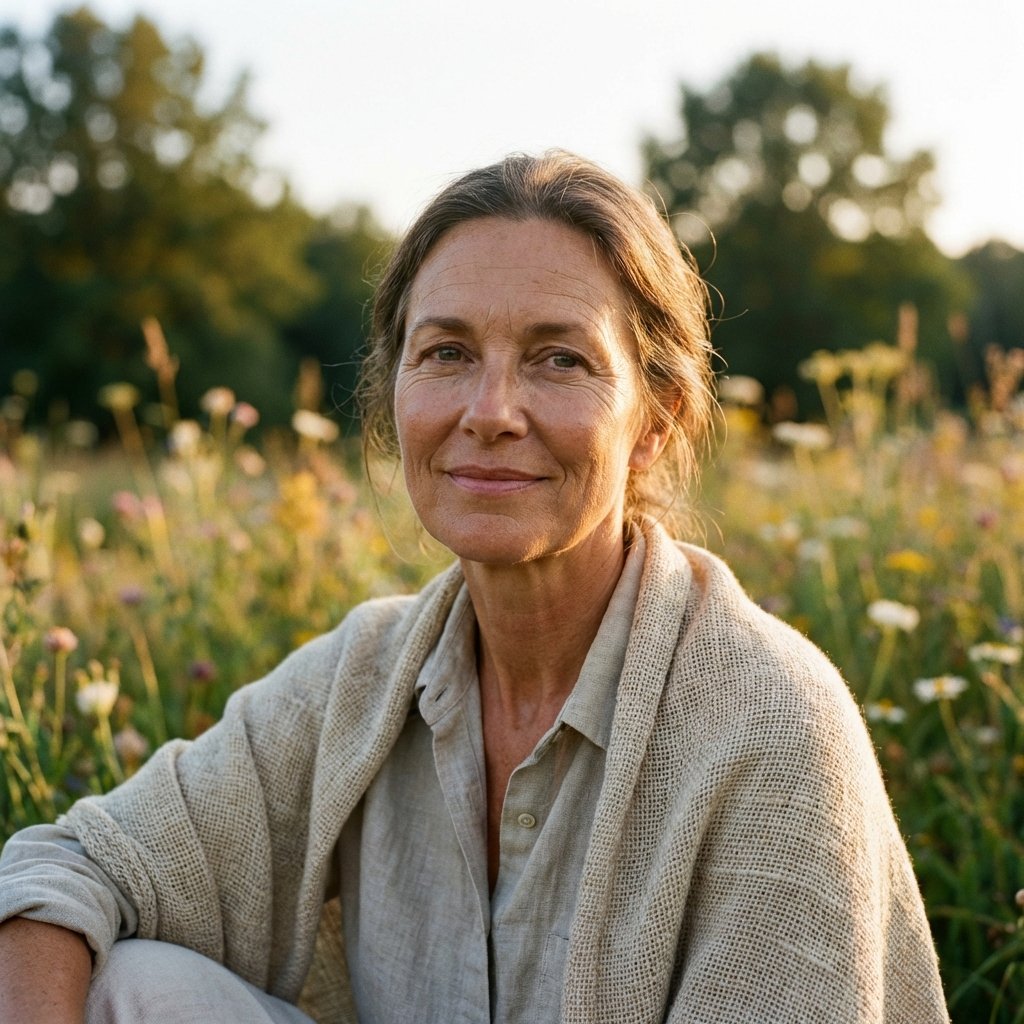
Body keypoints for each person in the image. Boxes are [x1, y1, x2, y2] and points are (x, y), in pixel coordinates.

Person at [0, 151, 949, 1024]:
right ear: (395, 392)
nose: (490, 412)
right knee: (128, 984)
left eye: (560, 359)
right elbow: (63, 869)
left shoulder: (771, 723)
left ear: (655, 422)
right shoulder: (365, 675)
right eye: (447, 353)